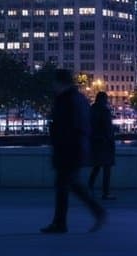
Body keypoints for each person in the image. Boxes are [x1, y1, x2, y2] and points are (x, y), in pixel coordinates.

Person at [41, 69, 107, 234]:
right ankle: (65, 220)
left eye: (54, 82)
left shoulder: (68, 100)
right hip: (71, 148)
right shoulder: (74, 98)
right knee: (69, 185)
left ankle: (62, 222)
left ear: (60, 82)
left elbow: (70, 126)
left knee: (65, 185)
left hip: (69, 149)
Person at [88, 91, 117, 200]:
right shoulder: (104, 111)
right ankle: (106, 192)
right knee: (107, 167)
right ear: (104, 100)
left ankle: (90, 186)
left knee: (96, 166)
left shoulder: (91, 110)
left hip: (94, 142)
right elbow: (108, 128)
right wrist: (110, 140)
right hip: (104, 143)